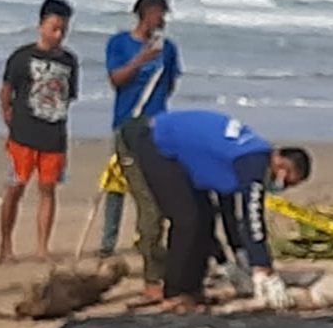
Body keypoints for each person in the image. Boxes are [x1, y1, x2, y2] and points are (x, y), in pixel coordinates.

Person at [125, 109, 311, 312]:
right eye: (285, 179)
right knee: (187, 220)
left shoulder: (241, 162)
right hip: (159, 144)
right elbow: (252, 217)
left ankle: (193, 288)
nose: (280, 184)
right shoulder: (253, 162)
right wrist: (263, 268)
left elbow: (229, 211)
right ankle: (175, 292)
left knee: (205, 219)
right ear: (279, 163)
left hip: (188, 157)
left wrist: (235, 257)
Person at [101, 0, 182, 294]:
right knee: (115, 185)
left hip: (157, 127)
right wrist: (140, 60)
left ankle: (147, 244)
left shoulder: (169, 50)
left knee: (152, 191)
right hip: (125, 123)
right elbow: (116, 79)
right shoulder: (120, 43)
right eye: (157, 14)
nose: (160, 21)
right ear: (143, 14)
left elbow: (171, 83)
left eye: (163, 15)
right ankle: (107, 244)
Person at [0, 0, 80, 264]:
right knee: (15, 187)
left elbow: (68, 98)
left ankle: (42, 247)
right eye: (54, 27)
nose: (58, 35)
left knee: (48, 190)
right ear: (41, 25)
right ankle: (6, 245)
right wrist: (9, 119)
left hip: (54, 136)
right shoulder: (21, 57)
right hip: (23, 134)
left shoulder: (69, 62)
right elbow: (6, 92)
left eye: (63, 30)